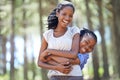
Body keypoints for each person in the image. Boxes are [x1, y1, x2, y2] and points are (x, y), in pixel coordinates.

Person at [37, 1, 95, 80]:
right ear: (57, 13)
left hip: (74, 75)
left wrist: (49, 52)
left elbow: (74, 54)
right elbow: (40, 62)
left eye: (70, 16)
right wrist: (56, 67)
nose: (67, 18)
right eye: (64, 14)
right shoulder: (47, 35)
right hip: (54, 76)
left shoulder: (74, 31)